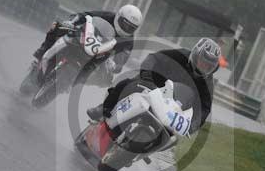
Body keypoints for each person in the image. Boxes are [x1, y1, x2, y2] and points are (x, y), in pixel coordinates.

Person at [88, 38, 221, 134]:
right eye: (202, 62)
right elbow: (154, 58)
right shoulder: (180, 55)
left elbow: (205, 107)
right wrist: (146, 75)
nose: (204, 66)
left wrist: (193, 125)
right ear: (196, 55)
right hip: (152, 85)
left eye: (208, 66)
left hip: (173, 105)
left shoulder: (207, 83)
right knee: (128, 84)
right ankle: (103, 108)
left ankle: (148, 145)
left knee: (173, 136)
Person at [31, 4, 142, 79]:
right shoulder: (108, 16)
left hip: (99, 56)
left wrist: (114, 65)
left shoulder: (128, 41)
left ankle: (73, 83)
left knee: (107, 79)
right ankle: (41, 54)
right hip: (85, 39)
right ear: (118, 16)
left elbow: (121, 61)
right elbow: (85, 15)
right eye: (125, 24)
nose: (127, 29)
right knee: (57, 26)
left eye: (131, 28)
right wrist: (72, 22)